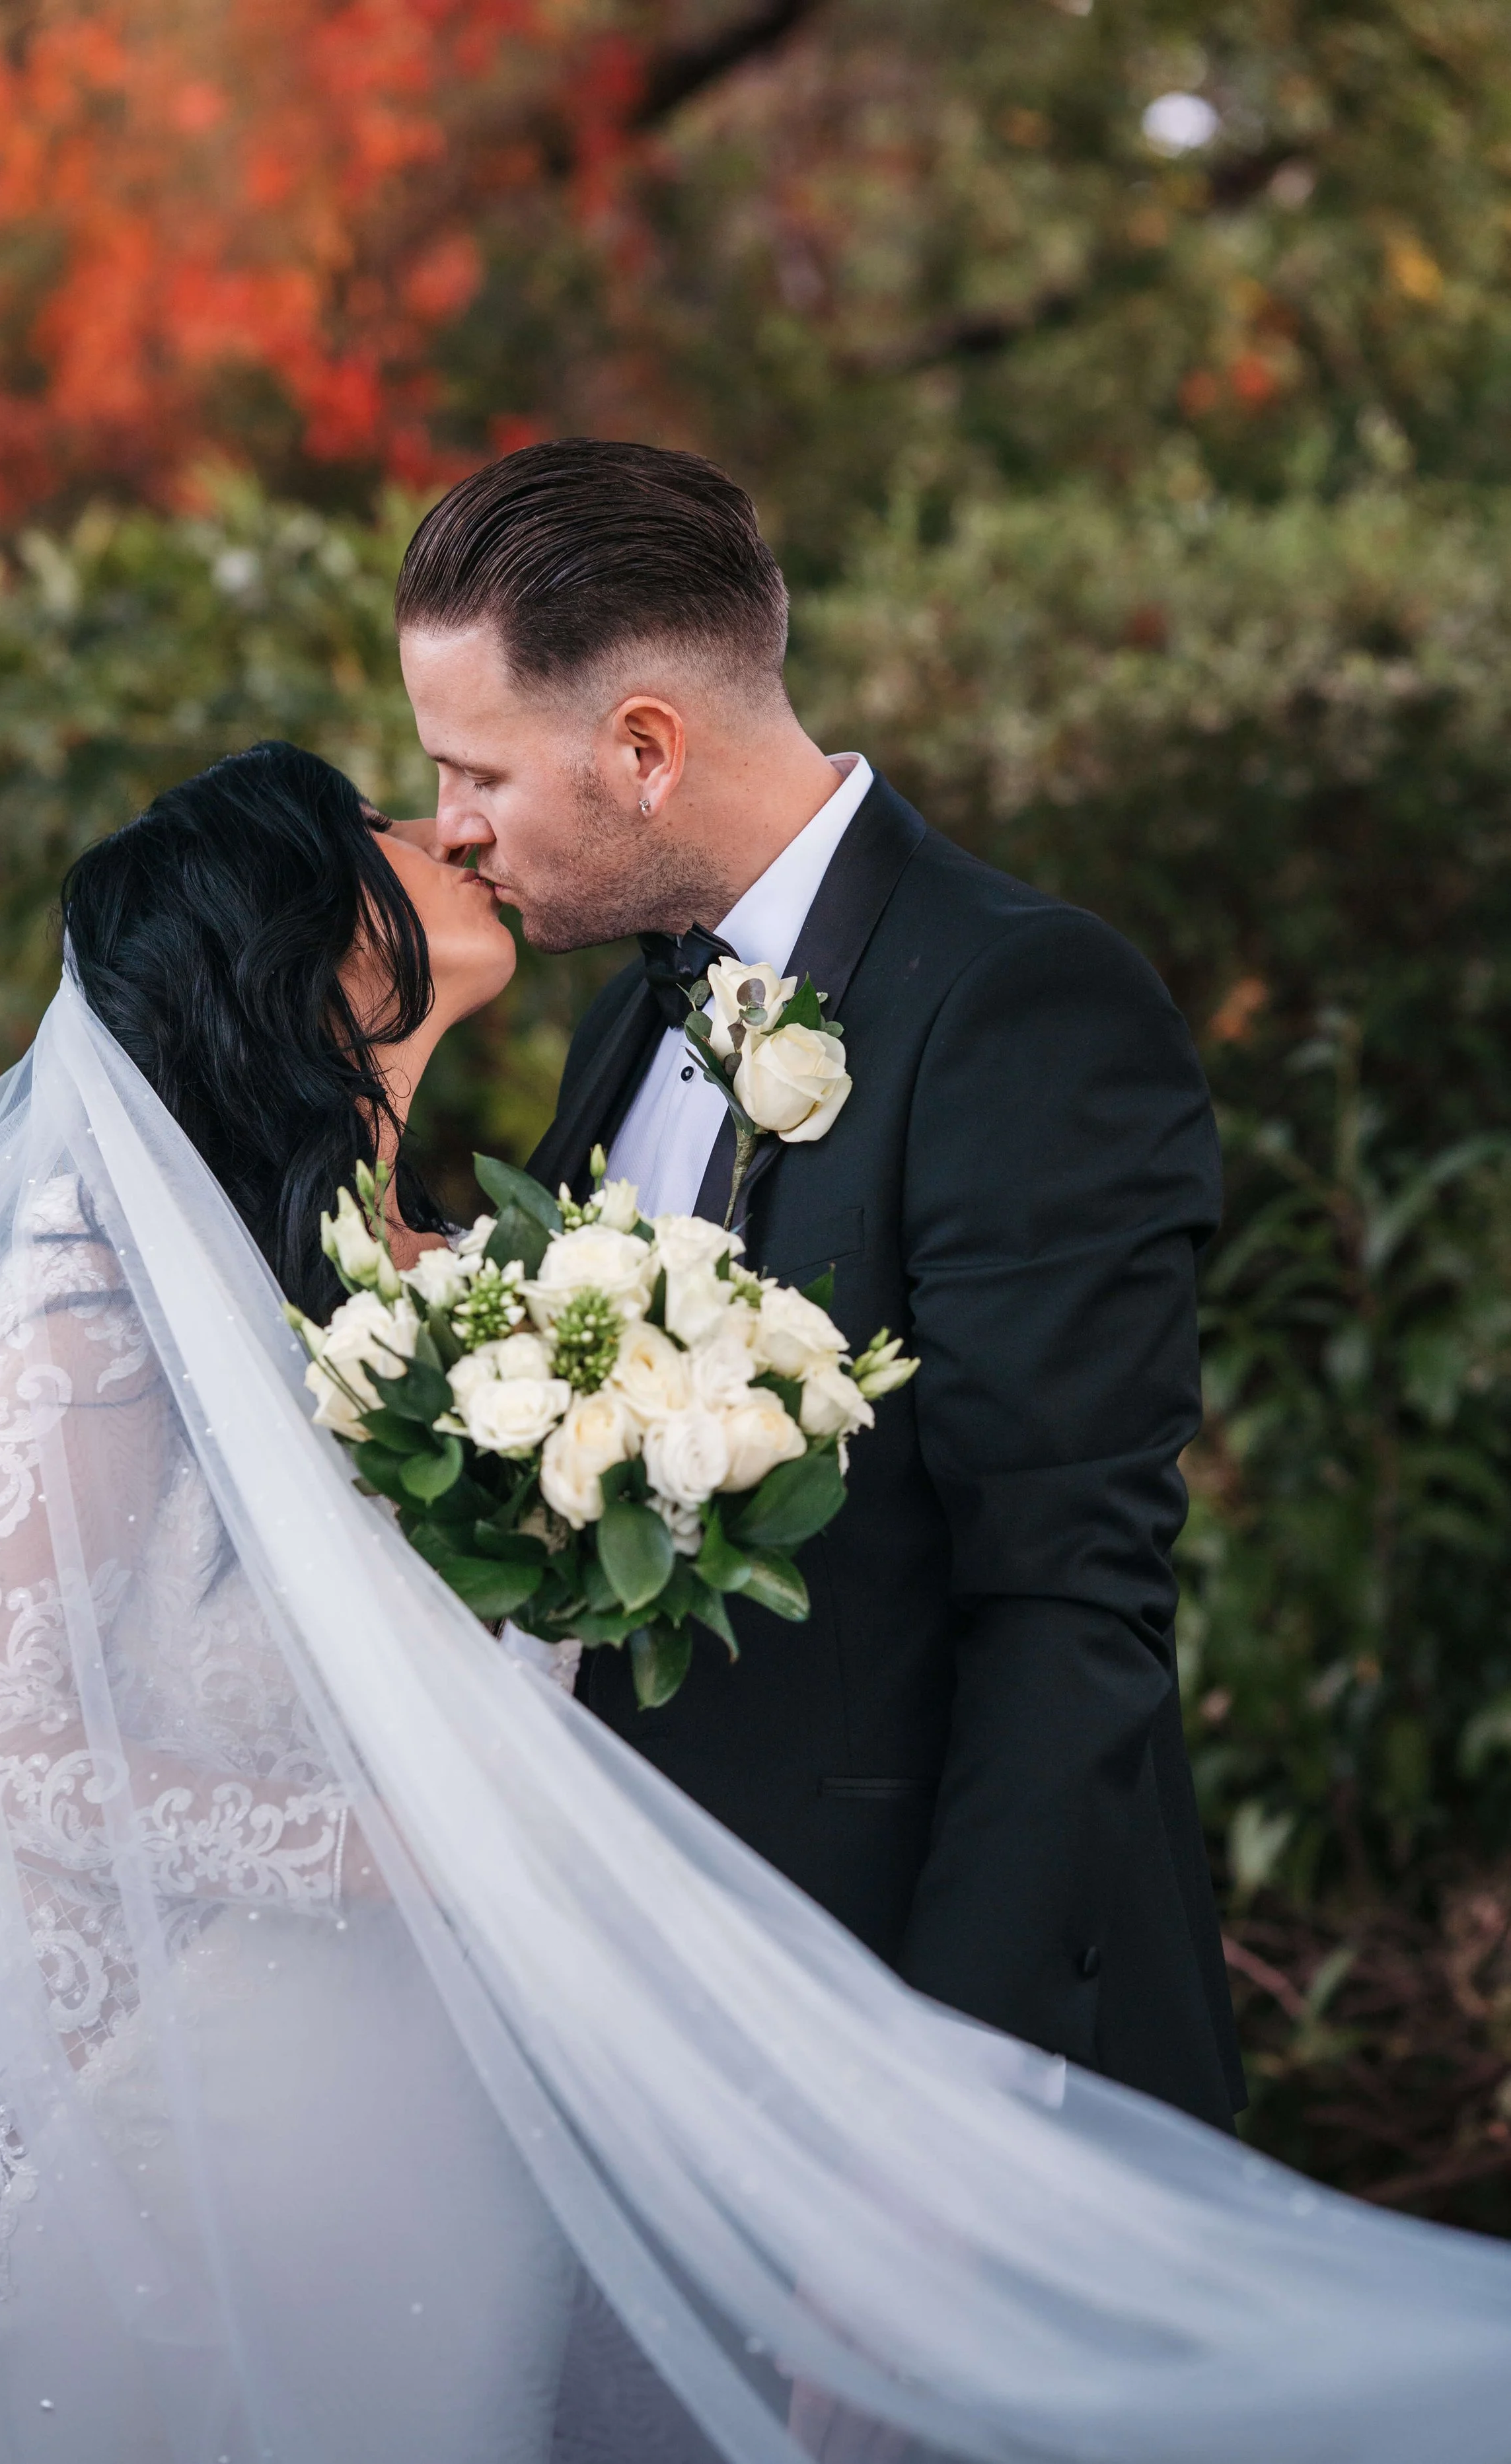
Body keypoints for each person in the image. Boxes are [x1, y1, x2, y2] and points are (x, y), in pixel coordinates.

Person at [0, 739, 1511, 2464]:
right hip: (211, 2113)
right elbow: (10, 1769)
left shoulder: (447, 1264)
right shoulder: (89, 1300)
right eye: (378, 829)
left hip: (459, 2112)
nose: (444, 831)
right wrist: (413, 1846)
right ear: (303, 943)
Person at [393, 439, 1244, 2132]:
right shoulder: (639, 1001)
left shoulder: (1019, 1005)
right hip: (651, 2023)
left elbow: (1065, 1614)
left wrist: (938, 2126)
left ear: (643, 749)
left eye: (472, 769)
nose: (449, 826)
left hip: (917, 2039)